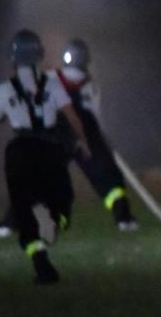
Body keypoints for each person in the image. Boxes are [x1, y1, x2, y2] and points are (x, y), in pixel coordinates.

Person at [0, 29, 92, 284]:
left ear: (12, 58)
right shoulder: (53, 84)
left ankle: (42, 266)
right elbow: (72, 117)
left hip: (20, 151)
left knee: (23, 206)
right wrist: (83, 142)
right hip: (50, 148)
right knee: (62, 196)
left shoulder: (3, 90)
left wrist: (8, 114)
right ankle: (55, 220)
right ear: (39, 55)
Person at [53, 38, 140, 231]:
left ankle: (15, 222)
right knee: (109, 176)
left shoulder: (52, 78)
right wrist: (101, 142)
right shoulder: (91, 86)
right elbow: (96, 116)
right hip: (84, 135)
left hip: (59, 135)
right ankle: (123, 218)